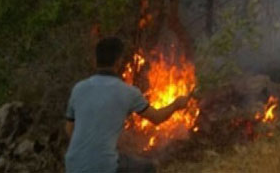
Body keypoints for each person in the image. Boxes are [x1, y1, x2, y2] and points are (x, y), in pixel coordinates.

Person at [65, 37, 190, 173]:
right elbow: (157, 118)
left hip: (73, 164)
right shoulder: (128, 92)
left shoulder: (78, 89)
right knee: (148, 168)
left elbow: (69, 130)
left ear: (95, 61)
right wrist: (176, 104)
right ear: (118, 62)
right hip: (103, 166)